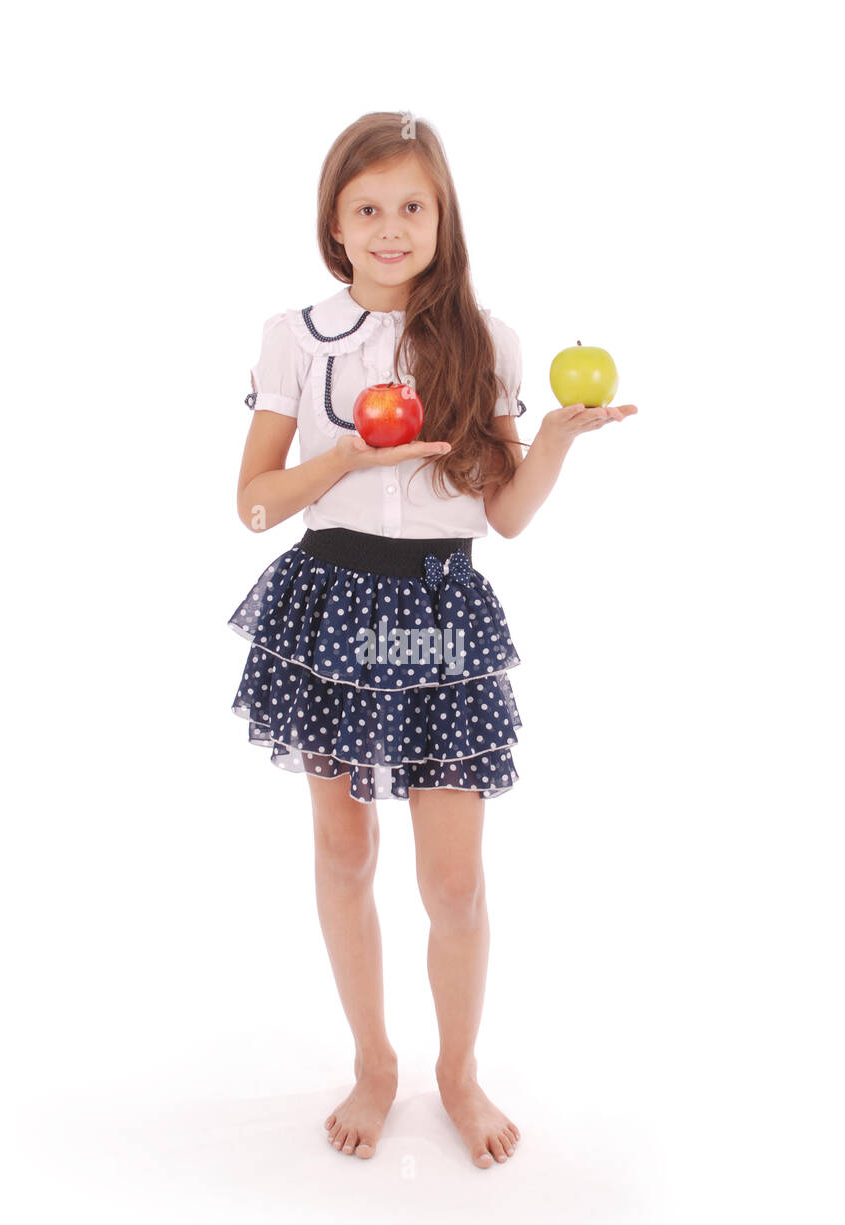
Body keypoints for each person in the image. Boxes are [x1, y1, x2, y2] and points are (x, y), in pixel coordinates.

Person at [227, 111, 637, 1169]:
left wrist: (552, 437)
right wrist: (346, 465)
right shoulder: (293, 335)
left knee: (453, 882)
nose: (392, 226)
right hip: (329, 606)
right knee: (343, 846)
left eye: (413, 206)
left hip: (439, 613)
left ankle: (458, 1071)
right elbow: (255, 505)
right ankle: (376, 1061)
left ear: (443, 216)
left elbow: (504, 515)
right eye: (369, 208)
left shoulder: (483, 339)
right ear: (335, 222)